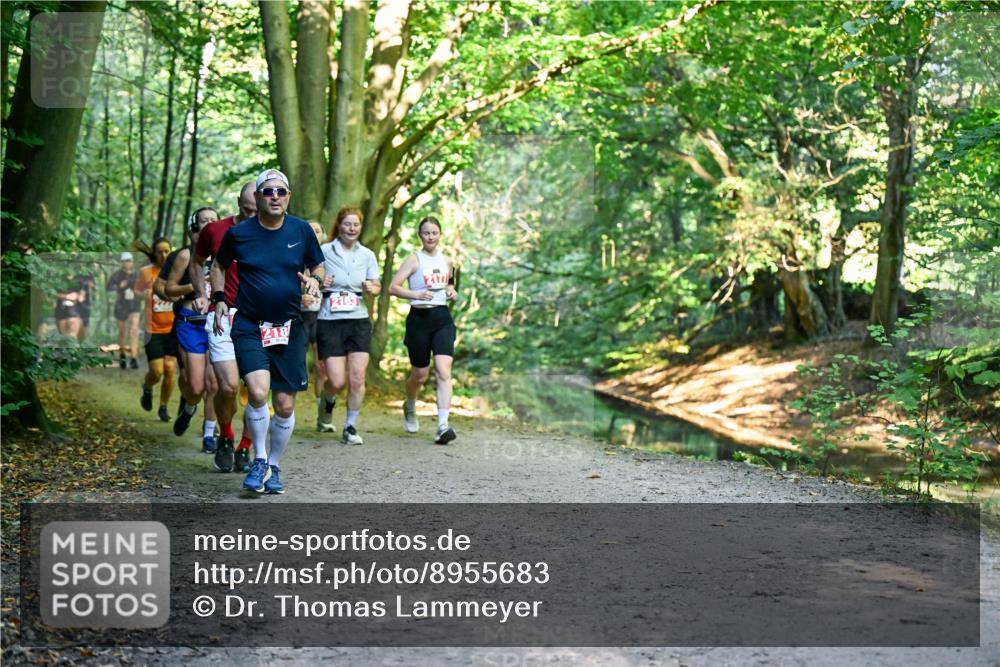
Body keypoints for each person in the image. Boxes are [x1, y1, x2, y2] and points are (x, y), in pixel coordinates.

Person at [210, 169, 324, 494]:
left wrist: (314, 280)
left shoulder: (301, 230)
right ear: (258, 197)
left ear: (288, 197)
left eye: (281, 192)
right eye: (269, 191)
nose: (275, 197)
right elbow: (218, 266)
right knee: (259, 392)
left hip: (290, 325)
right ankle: (258, 459)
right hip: (248, 323)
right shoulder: (240, 234)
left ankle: (274, 465)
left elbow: (317, 265)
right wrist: (219, 299)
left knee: (285, 404)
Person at [191, 182, 256, 473]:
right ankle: (226, 435)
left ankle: (245, 445)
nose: (253, 213)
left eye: (258, 209)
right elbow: (197, 261)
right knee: (228, 386)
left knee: (256, 391)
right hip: (223, 314)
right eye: (247, 208)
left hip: (262, 318)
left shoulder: (280, 231)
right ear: (238, 203)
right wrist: (201, 295)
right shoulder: (216, 230)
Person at [389, 216, 459, 444]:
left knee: (443, 370)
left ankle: (442, 426)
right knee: (420, 374)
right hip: (419, 319)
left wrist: (452, 292)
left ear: (440, 235)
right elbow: (393, 287)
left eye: (434, 233)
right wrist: (416, 294)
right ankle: (410, 402)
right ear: (420, 235)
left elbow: (450, 284)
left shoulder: (447, 261)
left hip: (442, 318)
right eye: (426, 233)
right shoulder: (414, 260)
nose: (430, 237)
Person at [315, 207, 380, 444]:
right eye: (347, 224)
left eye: (356, 224)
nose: (351, 229)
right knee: (337, 380)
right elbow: (309, 277)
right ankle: (328, 401)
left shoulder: (367, 255)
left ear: (360, 227)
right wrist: (321, 281)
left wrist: (372, 288)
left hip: (358, 319)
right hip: (330, 320)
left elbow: (376, 284)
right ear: (339, 226)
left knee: (357, 377)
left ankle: (350, 426)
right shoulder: (323, 250)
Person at [158, 208, 220, 451]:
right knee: (196, 386)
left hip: (217, 321)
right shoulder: (185, 255)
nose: (209, 224)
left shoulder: (225, 251)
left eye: (214, 220)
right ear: (194, 226)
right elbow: (168, 289)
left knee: (214, 383)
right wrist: (196, 288)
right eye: (204, 221)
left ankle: (208, 434)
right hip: (190, 322)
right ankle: (190, 406)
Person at [134, 238, 177, 422]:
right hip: (152, 329)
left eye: (167, 251)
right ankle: (148, 387)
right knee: (157, 371)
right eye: (160, 251)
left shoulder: (176, 271)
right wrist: (142, 295)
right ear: (154, 253)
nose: (164, 255)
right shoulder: (146, 273)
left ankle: (163, 407)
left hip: (173, 328)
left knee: (169, 369)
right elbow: (135, 292)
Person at [303, 222, 327, 430]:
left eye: (318, 231)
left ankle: (321, 415)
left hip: (321, 318)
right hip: (298, 318)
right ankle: (283, 411)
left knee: (322, 368)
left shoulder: (329, 258)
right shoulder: (294, 253)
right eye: (309, 231)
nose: (313, 234)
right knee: (294, 366)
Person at [106, 252, 141, 369]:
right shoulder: (117, 275)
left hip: (134, 305)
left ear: (132, 262)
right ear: (121, 262)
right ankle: (122, 355)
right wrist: (119, 286)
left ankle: (134, 358)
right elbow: (108, 287)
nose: (127, 262)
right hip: (121, 306)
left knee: (134, 331)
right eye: (125, 260)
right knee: (122, 332)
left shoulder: (137, 275)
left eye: (129, 260)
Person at [54, 274, 86, 340]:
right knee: (63, 336)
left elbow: (82, 296)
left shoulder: (79, 281)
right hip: (61, 312)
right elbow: (51, 294)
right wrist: (66, 296)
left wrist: (78, 296)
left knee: (72, 336)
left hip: (74, 312)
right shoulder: (58, 280)